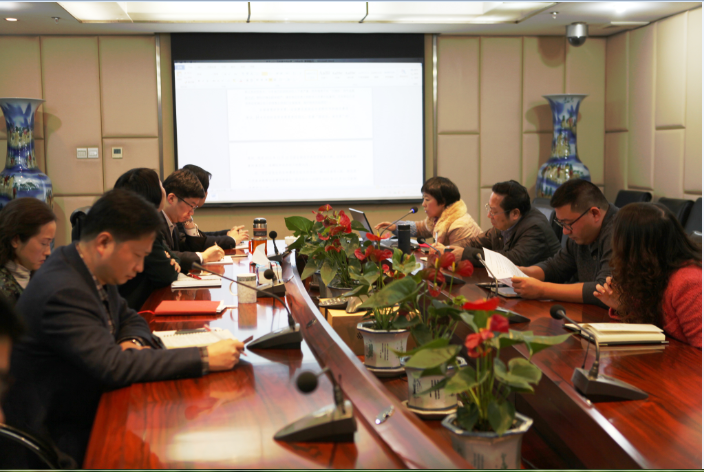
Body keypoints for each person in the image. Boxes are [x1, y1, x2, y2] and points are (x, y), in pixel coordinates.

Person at [3, 189, 245, 466]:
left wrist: (133, 342)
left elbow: (130, 318)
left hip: (87, 407)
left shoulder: (84, 266)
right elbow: (113, 366)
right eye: (137, 256)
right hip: (59, 436)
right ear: (104, 242)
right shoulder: (63, 289)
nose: (140, 267)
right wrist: (204, 357)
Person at [594, 203, 701, 348]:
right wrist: (624, 306)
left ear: (634, 249)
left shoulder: (689, 283)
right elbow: (652, 324)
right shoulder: (654, 270)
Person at [511, 179, 618, 307]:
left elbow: (604, 290)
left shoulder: (620, 231)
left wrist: (542, 290)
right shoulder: (582, 233)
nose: (565, 231)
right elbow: (556, 267)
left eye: (568, 224)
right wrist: (521, 272)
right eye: (561, 224)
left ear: (595, 214)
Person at [434, 180, 561, 265]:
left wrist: (465, 254)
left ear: (515, 214)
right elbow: (476, 242)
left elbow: (511, 260)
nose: (489, 215)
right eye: (489, 208)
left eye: (494, 211)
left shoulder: (535, 228)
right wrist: (448, 249)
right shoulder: (505, 224)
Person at [114, 168, 182, 309]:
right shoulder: (142, 230)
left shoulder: (133, 224)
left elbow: (174, 257)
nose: (164, 190)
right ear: (153, 194)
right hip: (137, 306)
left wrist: (170, 259)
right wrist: (169, 261)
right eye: (161, 185)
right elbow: (166, 275)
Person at [374, 177, 480, 248]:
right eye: (423, 199)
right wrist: (396, 227)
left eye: (427, 199)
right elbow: (420, 228)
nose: (423, 204)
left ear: (442, 202)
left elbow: (458, 257)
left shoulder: (459, 226)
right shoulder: (438, 218)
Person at [161, 169, 224, 272]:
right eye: (191, 205)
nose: (192, 213)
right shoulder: (153, 223)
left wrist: (189, 224)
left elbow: (188, 249)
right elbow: (166, 257)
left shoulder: (173, 223)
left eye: (194, 207)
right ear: (171, 198)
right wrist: (203, 256)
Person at [0, 198, 56, 304]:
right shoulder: (3, 293)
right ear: (15, 240)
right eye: (44, 243)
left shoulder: (43, 278)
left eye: (50, 243)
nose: (48, 252)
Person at [181, 164, 249, 248]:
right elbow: (195, 242)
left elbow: (199, 236)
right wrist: (231, 239)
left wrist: (227, 234)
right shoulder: (180, 214)